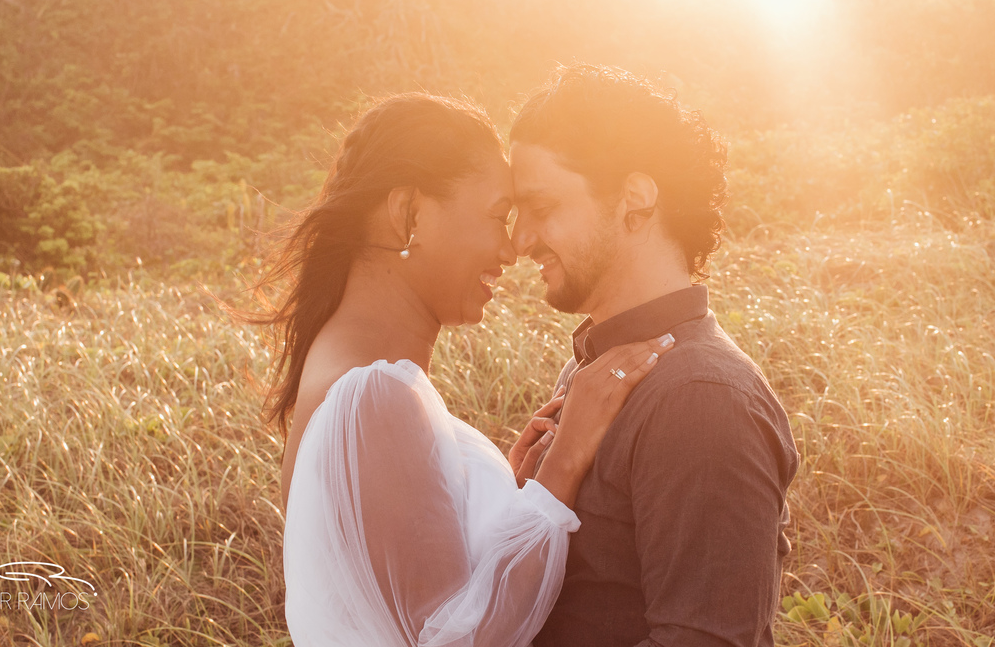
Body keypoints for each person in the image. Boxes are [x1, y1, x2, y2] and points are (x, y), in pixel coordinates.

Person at [250, 92, 676, 647]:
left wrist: (503, 497)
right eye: (499, 216)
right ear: (410, 213)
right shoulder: (375, 394)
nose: (512, 247)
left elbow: (399, 598)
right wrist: (563, 465)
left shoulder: (343, 371)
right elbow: (453, 639)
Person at [508, 65, 801, 647]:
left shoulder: (702, 401)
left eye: (541, 207)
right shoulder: (595, 366)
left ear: (634, 200)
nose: (521, 239)